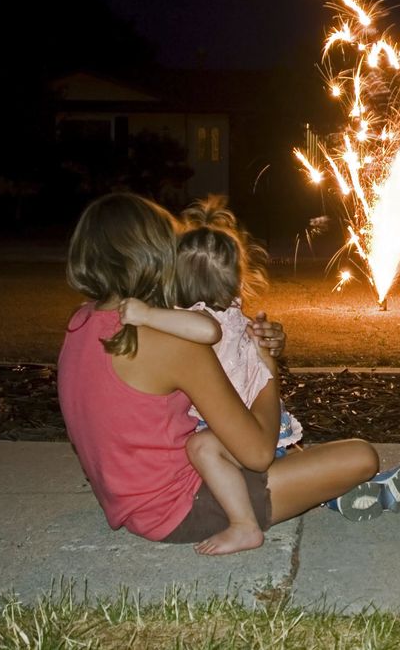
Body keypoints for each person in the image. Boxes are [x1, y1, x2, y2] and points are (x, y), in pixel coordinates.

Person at [58, 192, 400, 557]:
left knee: (293, 456)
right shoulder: (169, 344)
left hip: (131, 499)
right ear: (156, 256)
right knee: (359, 457)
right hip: (186, 507)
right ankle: (314, 495)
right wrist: (266, 369)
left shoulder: (81, 324)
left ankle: (323, 492)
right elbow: (256, 453)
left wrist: (244, 346)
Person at [117, 196, 306, 555]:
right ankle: (319, 487)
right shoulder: (233, 314)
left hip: (239, 431)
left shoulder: (198, 319)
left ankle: (244, 525)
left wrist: (145, 315)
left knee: (200, 448)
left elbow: (206, 330)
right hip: (254, 425)